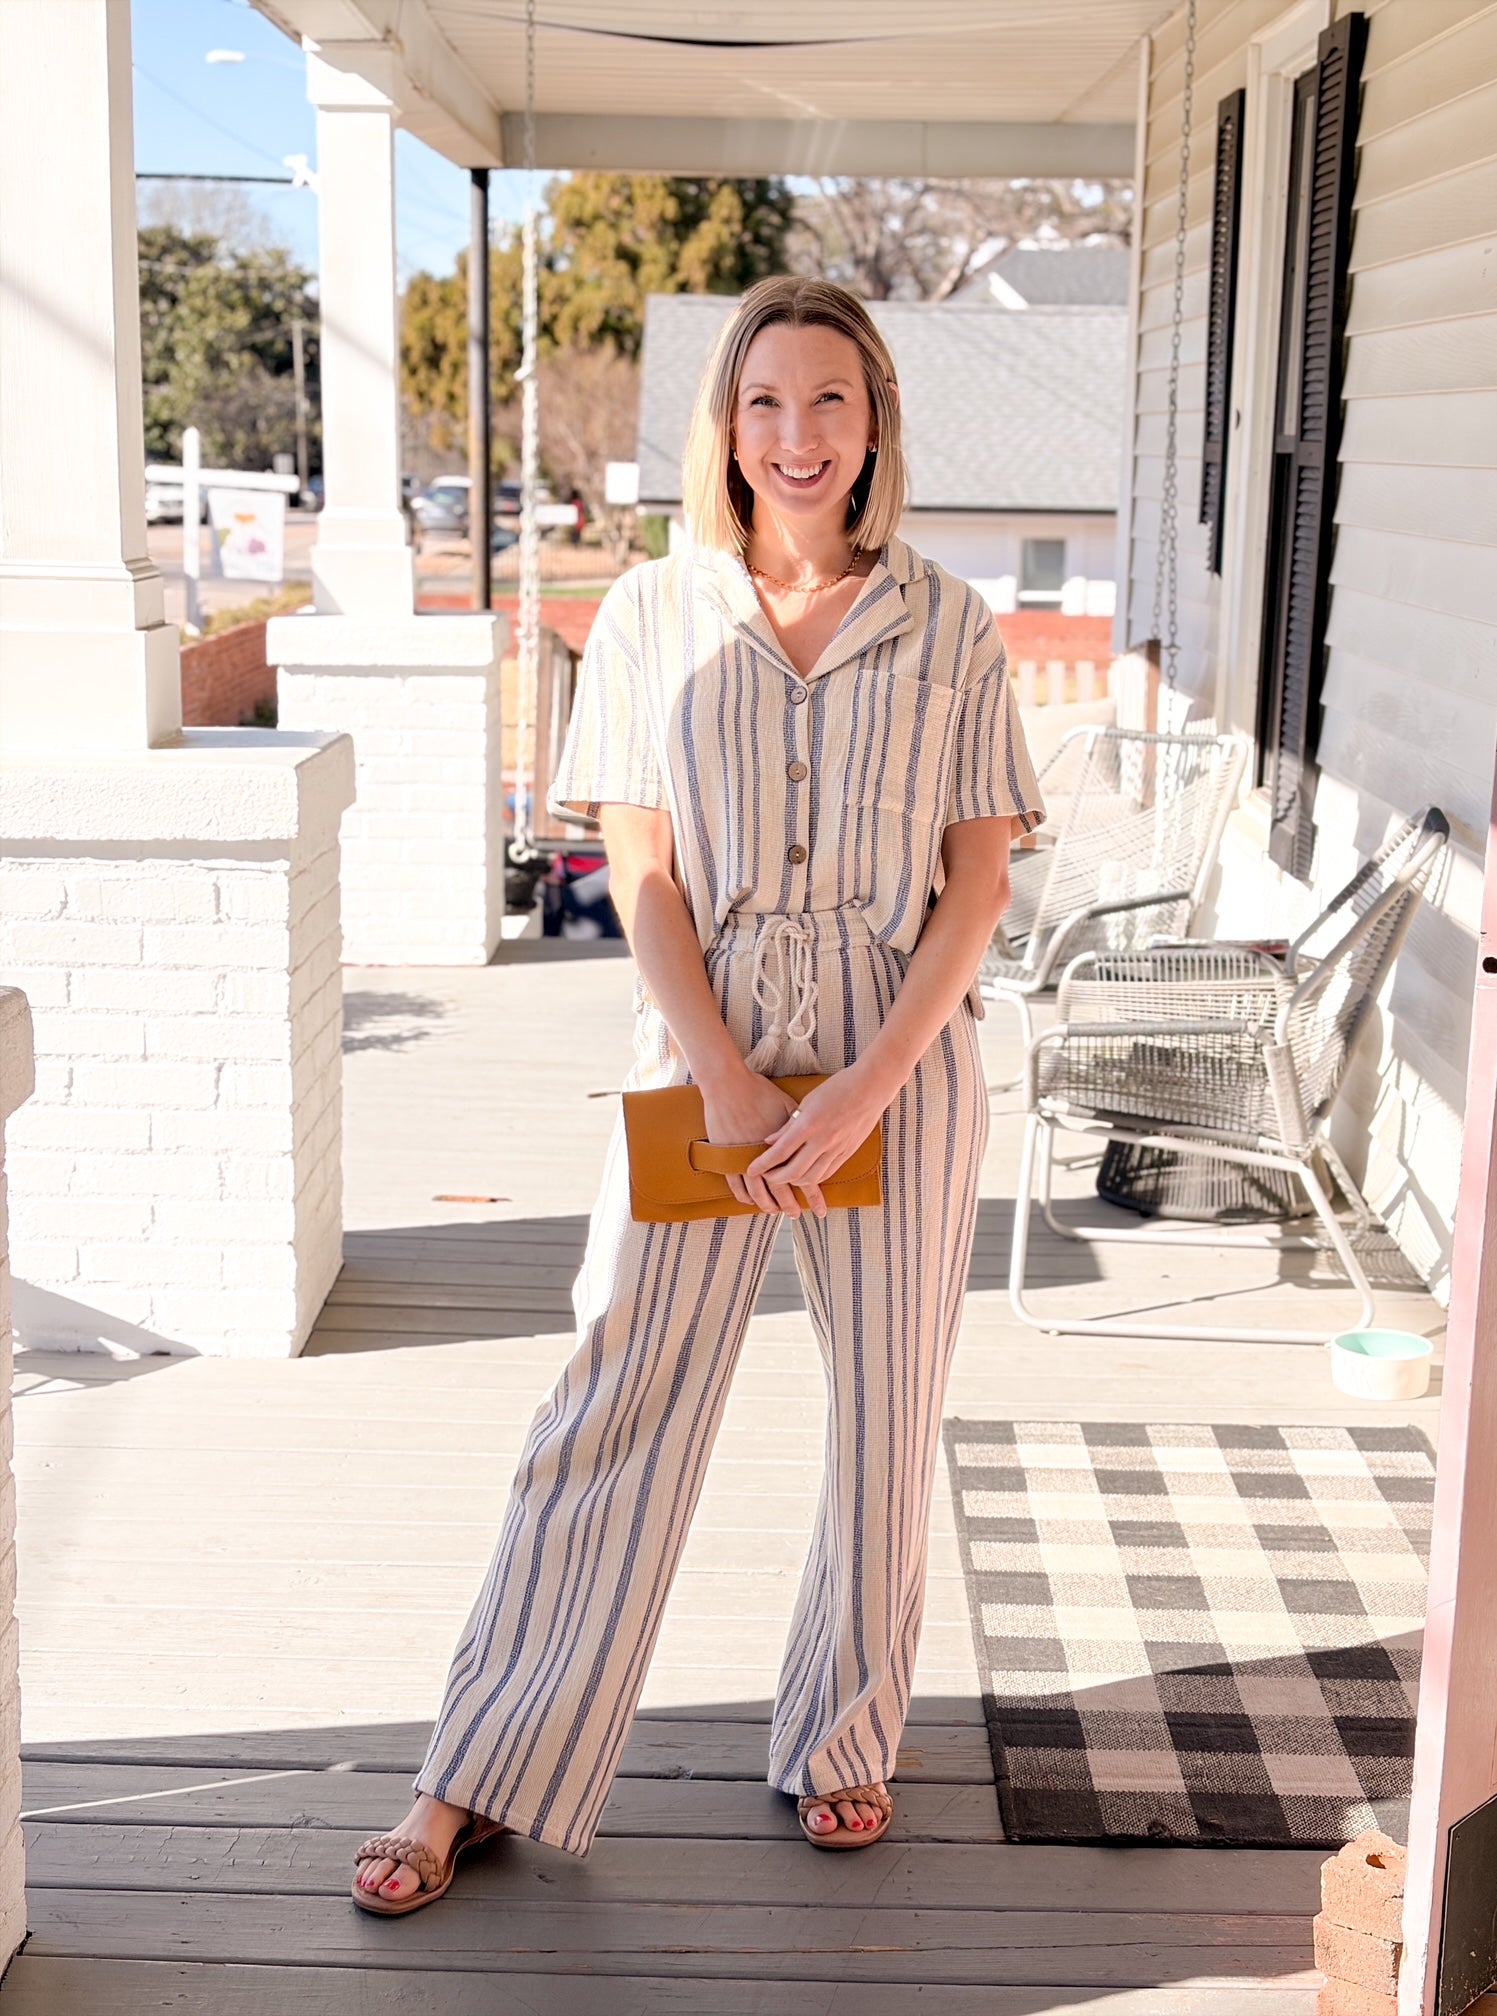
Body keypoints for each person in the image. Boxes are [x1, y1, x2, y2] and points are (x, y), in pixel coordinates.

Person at [352, 275, 1044, 1913]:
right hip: (704, 1041)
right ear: (726, 428)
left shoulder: (951, 622)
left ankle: (845, 1735)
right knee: (615, 1395)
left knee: (887, 1417)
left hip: (900, 1057)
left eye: (829, 400)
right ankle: (476, 1771)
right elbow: (641, 873)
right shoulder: (651, 612)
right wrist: (726, 1075)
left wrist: (871, 1085)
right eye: (766, 403)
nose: (798, 436)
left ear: (873, 421)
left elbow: (977, 887)